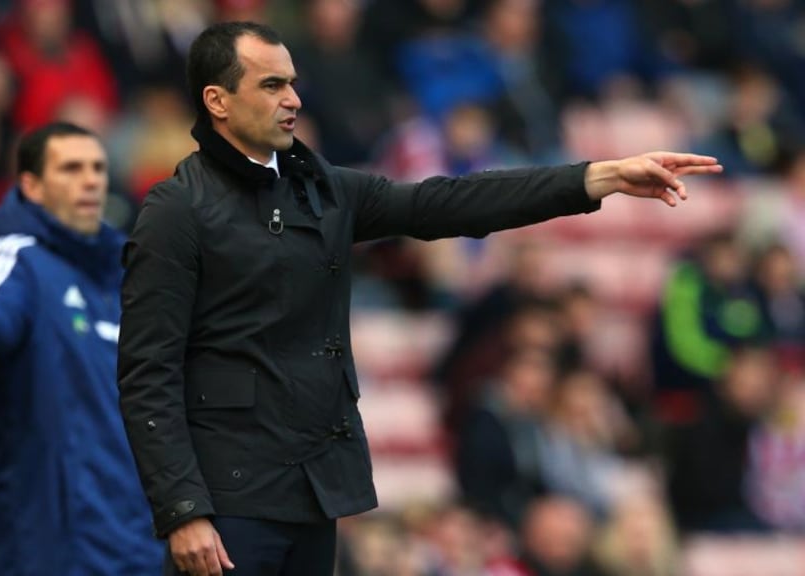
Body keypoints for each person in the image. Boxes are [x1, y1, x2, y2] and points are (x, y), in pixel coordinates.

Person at [116, 21, 723, 576]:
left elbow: (447, 202)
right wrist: (183, 508)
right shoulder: (177, 211)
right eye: (272, 85)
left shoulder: (320, 190)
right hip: (227, 503)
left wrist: (597, 177)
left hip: (312, 496)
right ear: (217, 100)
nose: (294, 99)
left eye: (293, 83)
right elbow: (147, 373)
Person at [0, 122, 163, 575]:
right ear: (31, 186)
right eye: (71, 169)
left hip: (138, 532)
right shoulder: (19, 257)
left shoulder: (126, 276)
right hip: (54, 537)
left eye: (97, 168)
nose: (90, 180)